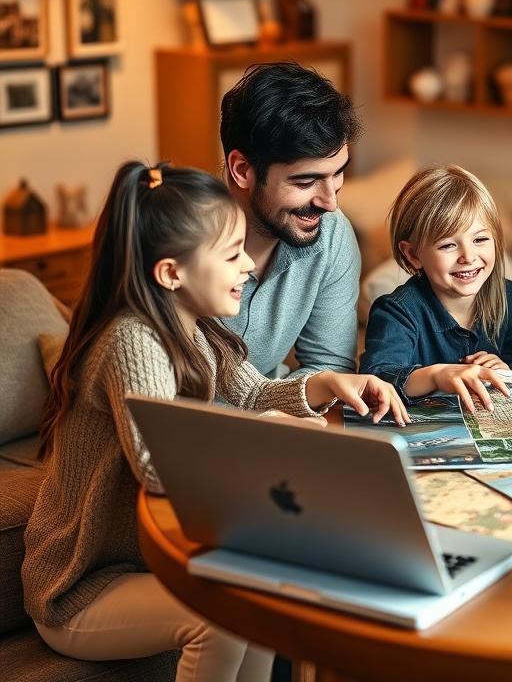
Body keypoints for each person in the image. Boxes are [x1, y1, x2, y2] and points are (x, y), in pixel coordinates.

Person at [22, 162, 407, 681]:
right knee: (223, 616)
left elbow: (252, 394)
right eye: (231, 254)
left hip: (149, 563)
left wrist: (325, 386)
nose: (249, 266)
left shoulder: (196, 327)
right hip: (82, 587)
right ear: (171, 273)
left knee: (262, 601)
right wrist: (271, 433)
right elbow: (160, 466)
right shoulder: (132, 339)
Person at [220, 62, 362, 378]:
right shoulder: (176, 242)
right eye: (305, 181)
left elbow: (331, 368)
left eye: (338, 173)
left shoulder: (332, 234)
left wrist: (272, 418)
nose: (330, 202)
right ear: (242, 170)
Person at [360, 165, 512, 412]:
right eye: (448, 245)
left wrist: (506, 372)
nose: (468, 257)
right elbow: (375, 381)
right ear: (413, 254)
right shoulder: (396, 312)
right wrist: (437, 375)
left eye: (480, 239)